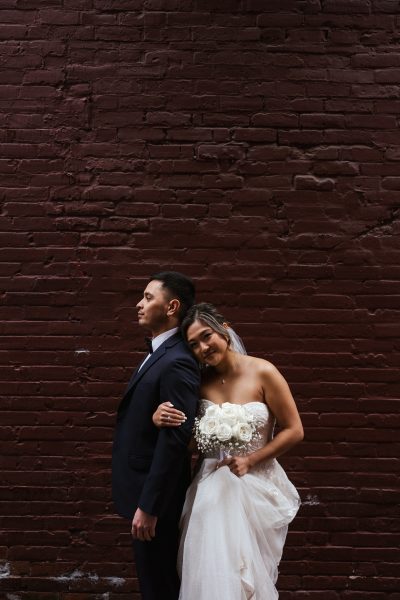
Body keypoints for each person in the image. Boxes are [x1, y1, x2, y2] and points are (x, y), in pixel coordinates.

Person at [153, 302, 303, 600]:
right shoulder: (198, 384)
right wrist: (159, 418)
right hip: (210, 487)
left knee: (247, 573)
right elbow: (191, 440)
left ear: (225, 328)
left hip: (254, 484)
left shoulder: (263, 372)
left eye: (207, 336)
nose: (203, 348)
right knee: (212, 568)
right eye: (194, 345)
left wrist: (250, 460)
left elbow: (294, 430)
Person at [112, 272, 200, 600]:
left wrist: (150, 506)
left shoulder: (176, 361)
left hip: (156, 501)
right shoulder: (159, 352)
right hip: (144, 492)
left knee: (159, 586)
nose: (139, 304)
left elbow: (175, 439)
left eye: (149, 298)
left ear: (172, 306)